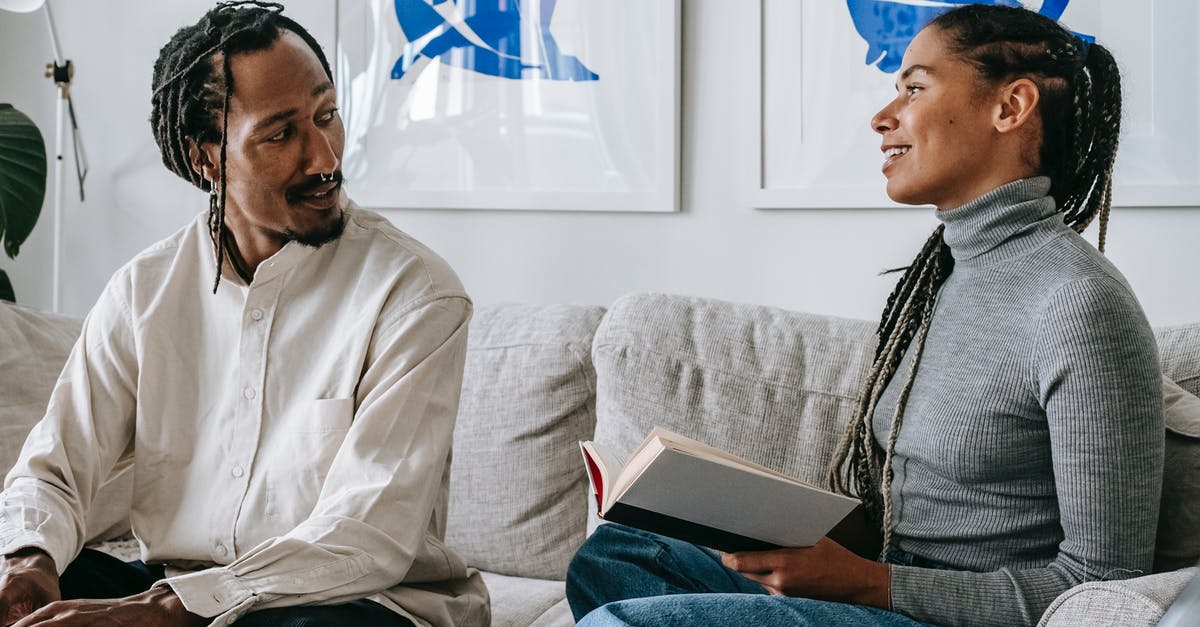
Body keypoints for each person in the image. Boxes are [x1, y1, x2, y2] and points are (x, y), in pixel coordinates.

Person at [566, 5, 1163, 627]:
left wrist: (865, 584)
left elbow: (1103, 588)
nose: (883, 118)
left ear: (1010, 108)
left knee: (624, 621)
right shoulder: (949, 277)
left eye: (913, 88)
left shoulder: (1080, 305)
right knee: (615, 557)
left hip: (944, 615)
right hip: (884, 584)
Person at [0, 2, 488, 626]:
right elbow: (54, 469)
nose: (324, 159)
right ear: (205, 157)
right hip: (179, 590)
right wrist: (27, 560)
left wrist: (165, 610)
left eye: (327, 116)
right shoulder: (143, 291)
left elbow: (366, 535)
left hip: (356, 602)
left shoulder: (416, 295)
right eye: (282, 134)